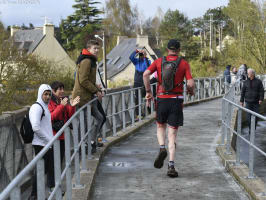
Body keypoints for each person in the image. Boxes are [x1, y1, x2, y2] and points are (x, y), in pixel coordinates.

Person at [143, 39, 195, 178]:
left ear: (167, 49)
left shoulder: (159, 61)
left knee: (160, 127)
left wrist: (148, 91)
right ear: (178, 50)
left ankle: (161, 147)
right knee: (172, 135)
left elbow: (145, 74)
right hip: (176, 101)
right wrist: (191, 91)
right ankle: (171, 165)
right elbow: (190, 82)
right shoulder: (183, 63)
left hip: (161, 99)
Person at [72, 40, 105, 153]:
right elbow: (83, 80)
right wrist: (96, 91)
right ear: (89, 49)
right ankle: (83, 145)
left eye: (98, 48)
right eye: (94, 48)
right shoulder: (86, 60)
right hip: (82, 97)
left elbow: (88, 80)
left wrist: (97, 88)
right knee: (84, 123)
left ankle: (91, 141)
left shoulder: (91, 60)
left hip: (89, 96)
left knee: (100, 118)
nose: (97, 50)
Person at [29, 84, 55, 199]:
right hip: (41, 144)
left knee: (43, 171)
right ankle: (34, 195)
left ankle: (37, 195)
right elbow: (35, 127)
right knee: (40, 171)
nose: (48, 97)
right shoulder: (37, 107)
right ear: (40, 94)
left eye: (49, 94)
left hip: (45, 144)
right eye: (45, 94)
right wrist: (48, 140)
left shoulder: (44, 106)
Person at [48, 81, 80, 163]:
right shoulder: (49, 102)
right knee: (53, 163)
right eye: (60, 89)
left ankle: (57, 176)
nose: (62, 91)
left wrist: (72, 106)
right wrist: (61, 106)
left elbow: (68, 116)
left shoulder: (61, 100)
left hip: (62, 135)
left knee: (60, 161)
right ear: (53, 90)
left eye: (63, 89)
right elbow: (51, 117)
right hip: (53, 137)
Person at [240, 68, 264, 132]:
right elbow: (243, 92)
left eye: (248, 73)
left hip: (256, 102)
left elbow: (261, 91)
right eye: (247, 73)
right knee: (248, 118)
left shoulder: (258, 81)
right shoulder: (245, 82)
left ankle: (253, 129)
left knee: (256, 117)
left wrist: (261, 99)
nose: (247, 74)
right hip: (248, 102)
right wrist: (241, 101)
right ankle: (251, 129)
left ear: (252, 74)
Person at [129, 48, 151, 119]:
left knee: (145, 97)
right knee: (137, 99)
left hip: (145, 82)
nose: (141, 55)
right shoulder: (136, 61)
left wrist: (144, 57)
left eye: (143, 54)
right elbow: (131, 57)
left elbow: (147, 68)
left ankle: (147, 111)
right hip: (137, 82)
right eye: (140, 54)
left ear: (145, 54)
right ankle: (138, 114)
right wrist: (136, 51)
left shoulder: (148, 61)